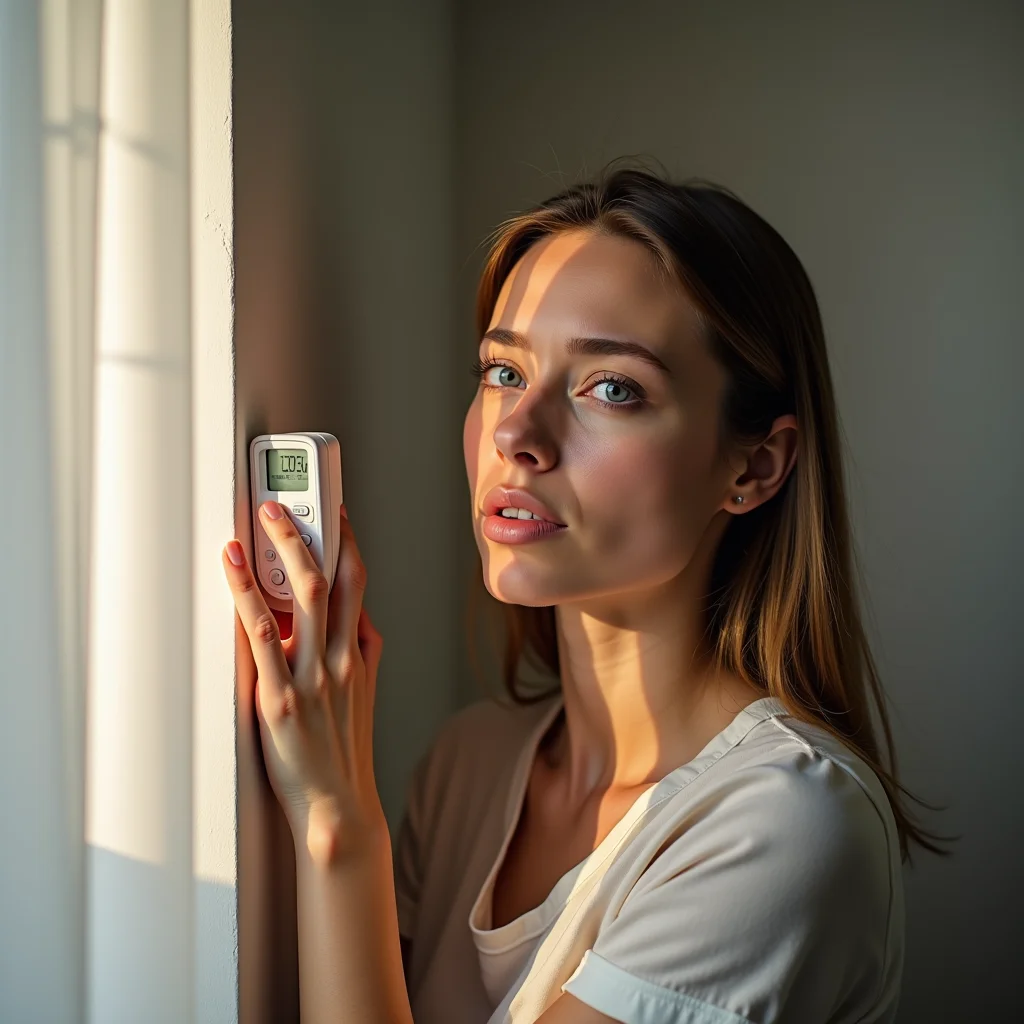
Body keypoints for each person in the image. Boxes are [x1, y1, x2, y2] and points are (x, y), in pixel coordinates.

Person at [222, 159, 954, 1024]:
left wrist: (337, 825)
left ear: (753, 468)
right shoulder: (468, 767)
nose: (518, 435)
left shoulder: (784, 825)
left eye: (612, 388)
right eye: (502, 372)